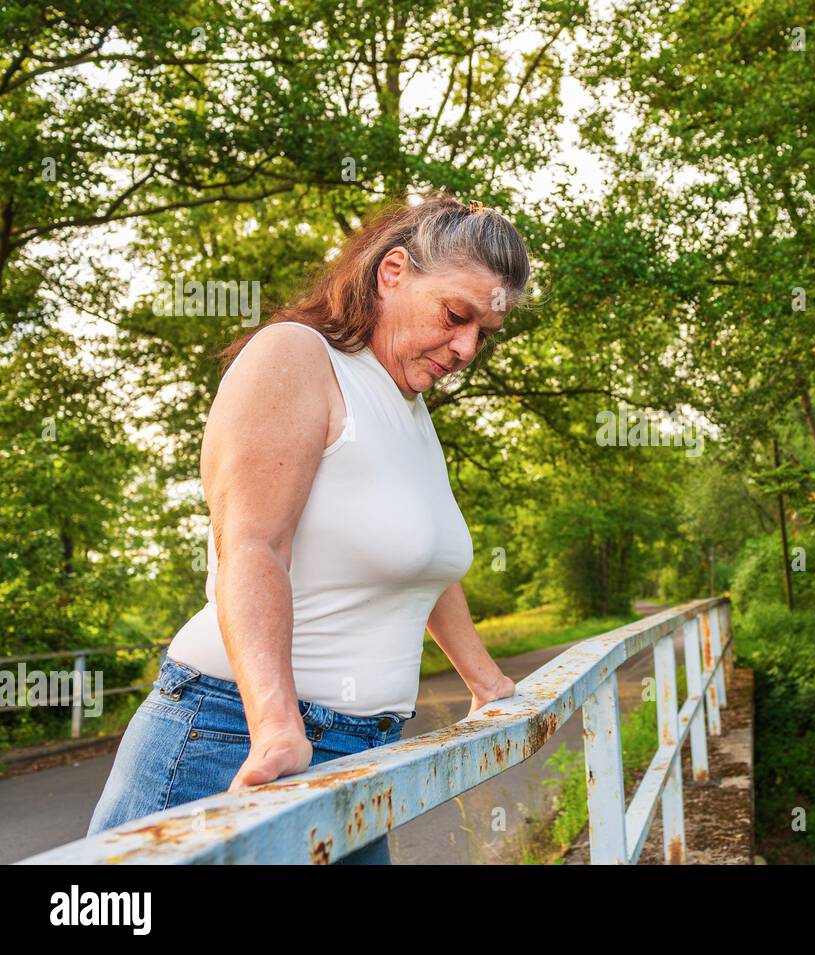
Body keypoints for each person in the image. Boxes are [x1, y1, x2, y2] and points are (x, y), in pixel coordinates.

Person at [87, 191, 528, 864]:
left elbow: (421, 566)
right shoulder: (296, 356)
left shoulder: (411, 414)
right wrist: (275, 724)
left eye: (482, 333)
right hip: (236, 736)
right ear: (393, 272)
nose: (466, 347)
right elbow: (251, 543)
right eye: (455, 315)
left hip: (359, 753)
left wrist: (489, 684)